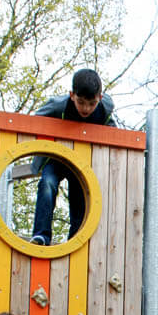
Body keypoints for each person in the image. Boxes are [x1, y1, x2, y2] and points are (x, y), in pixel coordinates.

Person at [30, 69, 116, 245]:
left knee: (79, 199)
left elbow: (114, 135)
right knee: (47, 184)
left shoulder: (104, 110)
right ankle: (41, 235)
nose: (86, 108)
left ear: (99, 98)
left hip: (81, 162)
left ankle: (75, 240)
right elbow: (34, 122)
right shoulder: (58, 106)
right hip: (56, 157)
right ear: (71, 95)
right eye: (81, 102)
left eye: (91, 103)